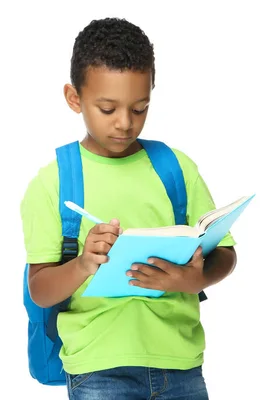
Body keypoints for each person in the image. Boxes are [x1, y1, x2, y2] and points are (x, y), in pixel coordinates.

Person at [20, 17, 237, 400]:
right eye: (107, 108)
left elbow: (225, 254)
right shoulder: (54, 182)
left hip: (181, 363)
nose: (125, 123)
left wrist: (192, 281)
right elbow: (40, 290)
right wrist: (84, 263)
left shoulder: (176, 168)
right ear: (75, 99)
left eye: (140, 108)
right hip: (98, 369)